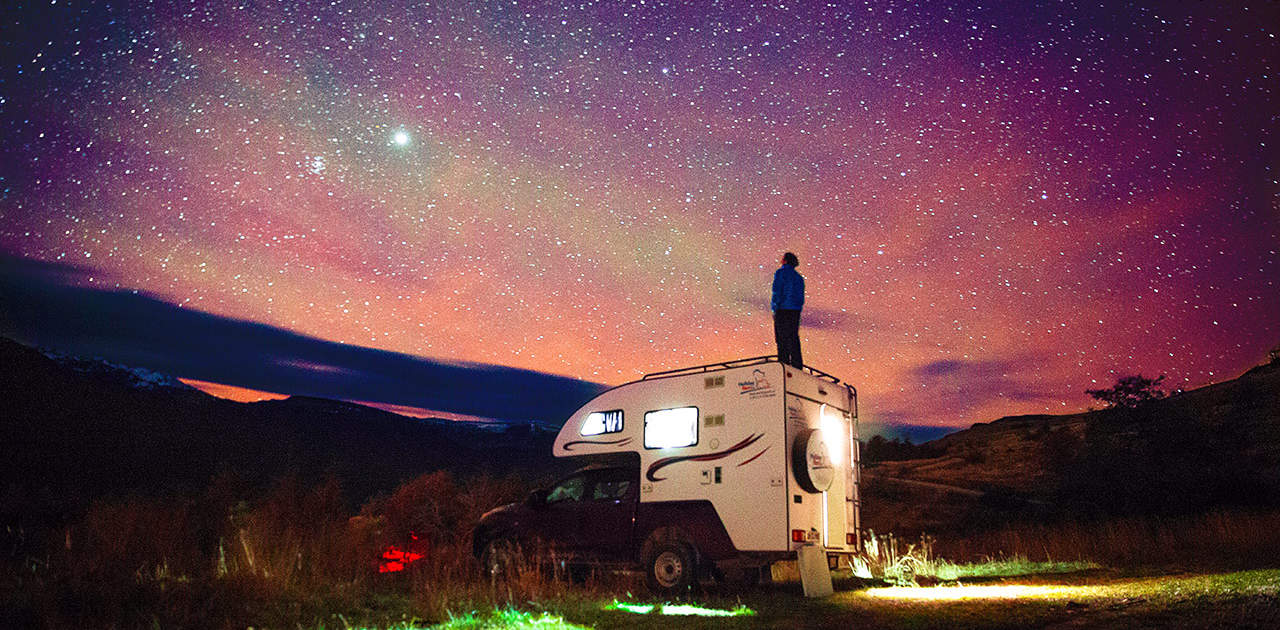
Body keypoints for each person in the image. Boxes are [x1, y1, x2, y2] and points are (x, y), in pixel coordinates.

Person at [771, 252, 804, 368]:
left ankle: (783, 363)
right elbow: (801, 297)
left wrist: (775, 307)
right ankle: (797, 364)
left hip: (783, 309)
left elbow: (777, 291)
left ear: (785, 260)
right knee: (793, 337)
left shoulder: (781, 273)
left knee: (782, 338)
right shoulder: (799, 278)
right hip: (795, 311)